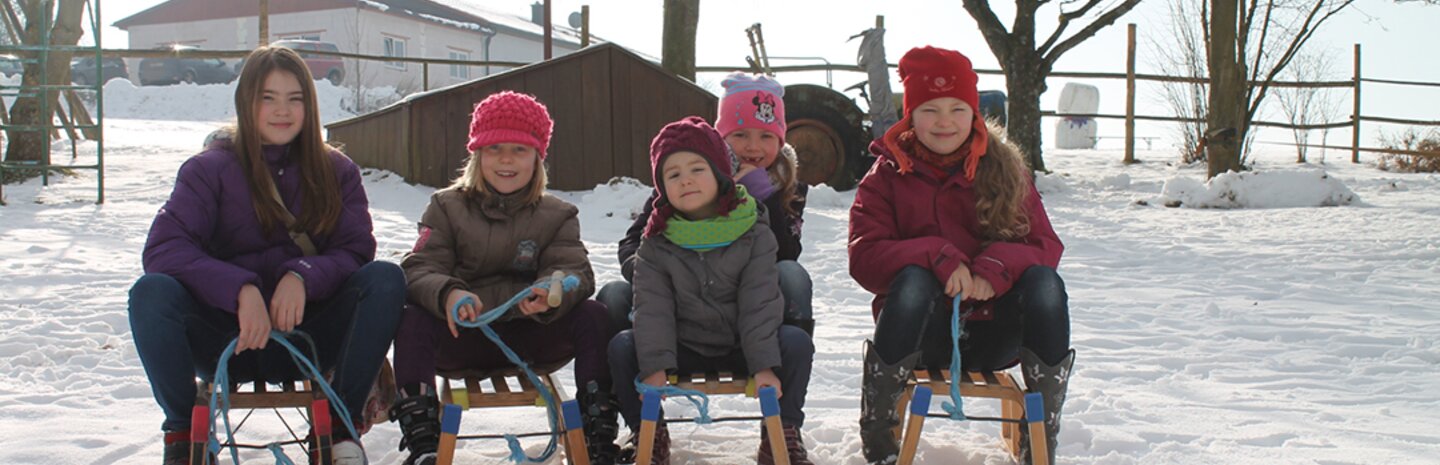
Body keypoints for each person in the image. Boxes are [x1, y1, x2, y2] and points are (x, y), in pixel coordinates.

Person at [129, 46, 403, 465]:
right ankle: (184, 435)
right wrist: (239, 289)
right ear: (246, 103)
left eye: (295, 98)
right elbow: (166, 249)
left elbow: (356, 250)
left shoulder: (337, 171)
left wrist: (302, 276)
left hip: (309, 337)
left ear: (309, 106)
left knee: (385, 279)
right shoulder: (207, 170)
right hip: (228, 337)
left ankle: (339, 429)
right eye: (267, 98)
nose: (282, 110)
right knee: (151, 292)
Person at [848, 46, 1074, 465]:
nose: (945, 121)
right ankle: (879, 430)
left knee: (1046, 283)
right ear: (910, 115)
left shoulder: (1005, 169)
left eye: (957, 108)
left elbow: (1046, 246)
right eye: (930, 109)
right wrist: (935, 255)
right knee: (914, 278)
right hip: (921, 335)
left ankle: (1041, 430)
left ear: (974, 113)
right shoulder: (886, 176)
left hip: (997, 331)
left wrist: (996, 268)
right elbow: (864, 257)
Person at [387, 91, 619, 465]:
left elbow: (574, 269)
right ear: (477, 154)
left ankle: (598, 434)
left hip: (532, 333)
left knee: (594, 315)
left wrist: (550, 290)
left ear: (538, 157)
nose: (506, 159)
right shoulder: (447, 206)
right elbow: (420, 267)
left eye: (519, 149)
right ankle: (424, 442)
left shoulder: (557, 214)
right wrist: (448, 294)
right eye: (494, 148)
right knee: (411, 320)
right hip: (462, 333)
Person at [608, 117, 815, 465]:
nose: (685, 179)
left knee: (795, 343)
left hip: (741, 343)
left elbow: (759, 300)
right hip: (683, 343)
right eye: (672, 175)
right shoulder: (656, 240)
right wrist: (654, 363)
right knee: (623, 347)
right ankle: (647, 432)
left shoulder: (753, 229)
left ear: (720, 174)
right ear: (662, 188)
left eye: (696, 169)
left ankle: (782, 431)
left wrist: (764, 364)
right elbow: (653, 306)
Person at [596, 73, 812, 339]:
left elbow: (786, 255)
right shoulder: (688, 178)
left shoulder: (788, 190)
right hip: (679, 298)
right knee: (614, 294)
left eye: (766, 136)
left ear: (780, 141)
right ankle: (630, 372)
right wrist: (652, 275)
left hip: (749, 302)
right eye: (741, 134)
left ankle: (784, 364)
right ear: (722, 138)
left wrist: (762, 197)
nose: (753, 146)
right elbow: (633, 240)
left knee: (792, 275)